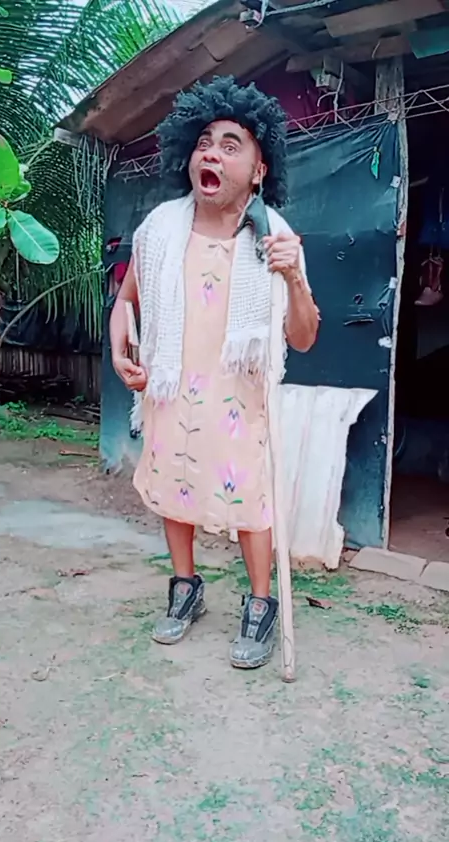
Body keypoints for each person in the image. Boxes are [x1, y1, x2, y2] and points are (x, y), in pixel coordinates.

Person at [110, 76, 319, 670]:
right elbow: (126, 301)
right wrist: (121, 347)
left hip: (238, 401)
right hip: (172, 389)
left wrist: (293, 277)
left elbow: (304, 337)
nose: (213, 153)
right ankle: (186, 587)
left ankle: (260, 603)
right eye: (204, 142)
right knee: (174, 490)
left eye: (232, 145)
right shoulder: (159, 230)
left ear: (258, 171)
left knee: (251, 501)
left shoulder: (276, 238)